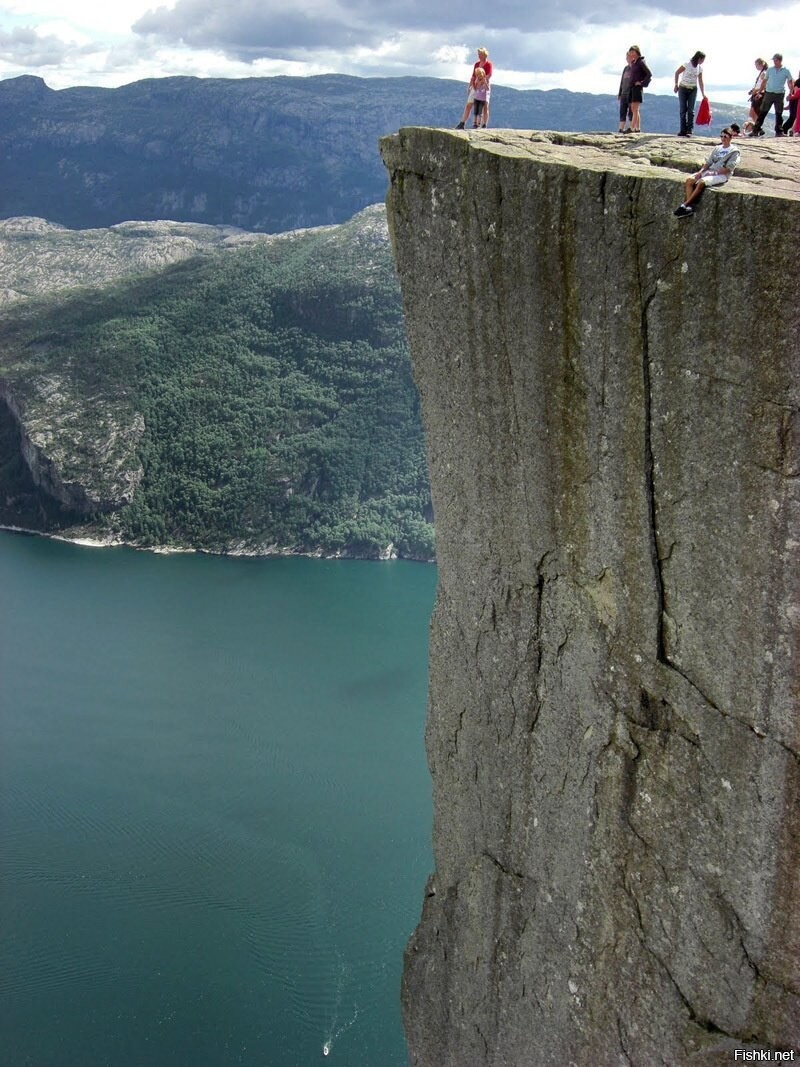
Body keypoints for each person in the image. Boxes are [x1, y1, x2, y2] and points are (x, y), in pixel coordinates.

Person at [673, 127, 740, 217]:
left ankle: (685, 205)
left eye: (725, 136)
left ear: (730, 137)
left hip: (722, 174)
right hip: (710, 171)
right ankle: (689, 209)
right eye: (721, 136)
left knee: (701, 182)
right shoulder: (717, 148)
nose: (723, 138)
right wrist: (700, 172)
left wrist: (714, 173)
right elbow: (708, 162)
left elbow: (730, 167)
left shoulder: (734, 151)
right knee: (689, 180)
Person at [750, 53, 794, 137]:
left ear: (779, 60)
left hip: (779, 94)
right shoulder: (770, 70)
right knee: (763, 111)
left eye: (775, 60)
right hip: (769, 93)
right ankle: (756, 130)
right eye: (773, 60)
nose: (774, 61)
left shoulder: (786, 71)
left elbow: (790, 82)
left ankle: (779, 131)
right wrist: (759, 92)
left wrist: (790, 92)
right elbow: (764, 81)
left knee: (779, 113)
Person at [455, 48, 493, 129]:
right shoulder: (476, 64)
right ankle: (462, 123)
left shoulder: (488, 64)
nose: (478, 56)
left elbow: (489, 75)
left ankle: (484, 124)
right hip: (475, 86)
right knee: (469, 104)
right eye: (478, 54)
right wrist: (470, 86)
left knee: (485, 106)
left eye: (480, 54)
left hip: (483, 86)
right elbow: (473, 76)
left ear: (484, 54)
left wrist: (481, 82)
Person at [674, 51, 706, 136]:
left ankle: (689, 130)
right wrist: (676, 84)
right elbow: (677, 72)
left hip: (693, 89)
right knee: (683, 109)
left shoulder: (699, 68)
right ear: (699, 58)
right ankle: (682, 130)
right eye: (702, 60)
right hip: (683, 88)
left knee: (691, 110)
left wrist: (703, 93)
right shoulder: (687, 64)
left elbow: (700, 81)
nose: (703, 62)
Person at [748, 58, 768, 126]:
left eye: (756, 65)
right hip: (756, 93)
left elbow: (764, 84)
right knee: (752, 112)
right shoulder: (761, 73)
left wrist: (757, 91)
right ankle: (754, 127)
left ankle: (757, 127)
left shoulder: (764, 73)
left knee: (755, 112)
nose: (756, 67)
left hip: (759, 94)